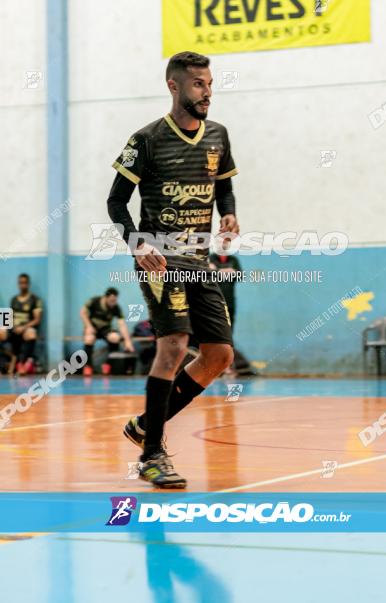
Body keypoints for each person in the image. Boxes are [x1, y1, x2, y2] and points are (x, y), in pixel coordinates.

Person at [107, 51, 239, 488]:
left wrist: (229, 214)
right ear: (174, 86)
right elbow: (115, 201)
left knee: (218, 356)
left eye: (210, 83)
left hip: (199, 261)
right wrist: (136, 241)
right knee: (175, 344)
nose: (207, 92)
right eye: (199, 84)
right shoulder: (145, 139)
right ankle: (152, 455)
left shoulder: (218, 135)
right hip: (160, 260)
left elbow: (224, 184)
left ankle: (147, 423)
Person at [209, 253, 257, 377]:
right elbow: (206, 275)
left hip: (229, 304)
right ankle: (214, 367)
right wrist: (226, 271)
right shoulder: (210, 258)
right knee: (214, 336)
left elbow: (239, 275)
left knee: (228, 337)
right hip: (213, 304)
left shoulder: (233, 259)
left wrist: (217, 270)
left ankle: (227, 367)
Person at [80, 287, 134, 375]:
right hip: (92, 327)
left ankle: (108, 364)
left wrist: (128, 341)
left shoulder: (116, 307)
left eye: (115, 300)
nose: (113, 303)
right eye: (111, 300)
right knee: (89, 338)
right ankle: (88, 366)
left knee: (115, 338)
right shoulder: (94, 301)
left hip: (105, 328)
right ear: (106, 297)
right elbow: (82, 312)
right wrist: (88, 326)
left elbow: (122, 325)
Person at [0, 273, 42, 374]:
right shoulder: (14, 300)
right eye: (20, 283)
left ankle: (22, 363)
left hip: (26, 328)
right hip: (14, 328)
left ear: (28, 284)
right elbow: (8, 318)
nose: (22, 285)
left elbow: (37, 319)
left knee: (31, 333)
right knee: (0, 331)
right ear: (18, 284)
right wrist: (10, 326)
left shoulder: (35, 300)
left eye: (25, 283)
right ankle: (4, 363)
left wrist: (23, 327)